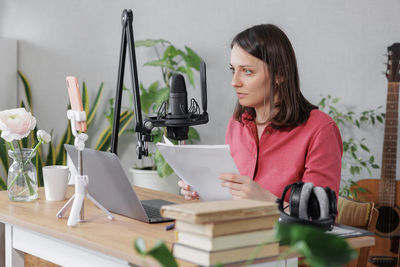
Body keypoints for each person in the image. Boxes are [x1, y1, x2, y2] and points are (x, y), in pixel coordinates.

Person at [178, 24, 342, 202]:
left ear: (280, 73)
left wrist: (269, 201)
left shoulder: (320, 129)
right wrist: (203, 192)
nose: (234, 82)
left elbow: (319, 218)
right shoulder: (236, 124)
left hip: (283, 231)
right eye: (233, 70)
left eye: (247, 71)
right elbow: (231, 200)